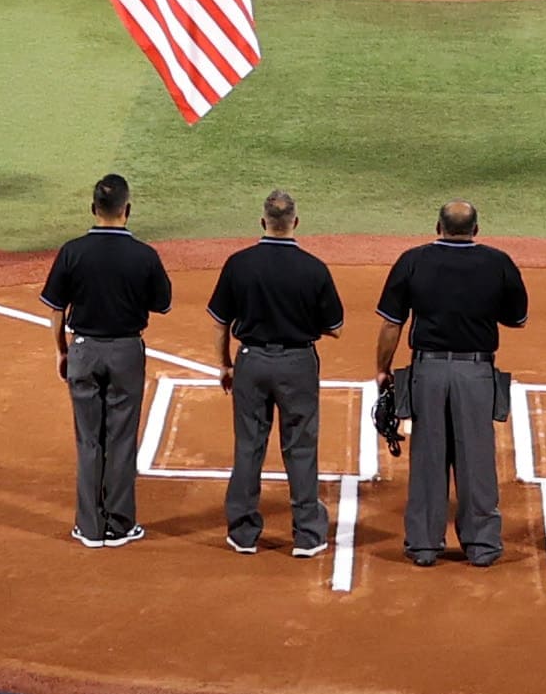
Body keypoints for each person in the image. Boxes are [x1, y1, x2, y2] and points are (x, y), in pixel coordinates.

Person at [370, 200, 526, 568]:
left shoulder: (413, 260)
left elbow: (392, 323)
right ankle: (482, 545)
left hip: (428, 372)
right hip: (476, 373)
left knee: (428, 456)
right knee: (477, 459)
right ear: (476, 229)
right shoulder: (498, 262)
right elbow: (517, 317)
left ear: (437, 227)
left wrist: (383, 369)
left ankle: (424, 546)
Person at [206, 187, 343, 553]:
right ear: (295, 222)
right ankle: (308, 535)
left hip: (251, 362)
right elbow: (336, 328)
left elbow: (220, 321)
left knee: (248, 445)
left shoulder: (239, 264)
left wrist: (225, 364)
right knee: (300, 446)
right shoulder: (313, 268)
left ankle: (243, 533)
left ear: (262, 222)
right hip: (298, 365)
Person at [42, 174, 172, 548]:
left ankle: (89, 527)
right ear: (126, 210)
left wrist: (62, 350)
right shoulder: (144, 255)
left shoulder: (72, 251)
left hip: (83, 350)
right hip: (126, 352)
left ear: (93, 208)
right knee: (121, 437)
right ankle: (120, 525)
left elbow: (56, 307)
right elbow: (162, 303)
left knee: (89, 439)